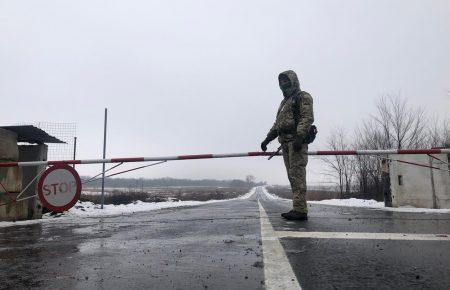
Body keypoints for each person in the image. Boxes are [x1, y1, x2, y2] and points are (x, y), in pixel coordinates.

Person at [261, 70, 314, 220]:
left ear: (293, 81)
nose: (283, 84)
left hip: (296, 143)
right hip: (285, 143)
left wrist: (300, 137)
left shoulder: (302, 96)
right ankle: (297, 207)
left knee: (297, 176)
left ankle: (300, 210)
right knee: (292, 176)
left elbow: (307, 117)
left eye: (286, 81)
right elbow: (278, 124)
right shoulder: (284, 103)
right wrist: (267, 139)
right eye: (281, 82)